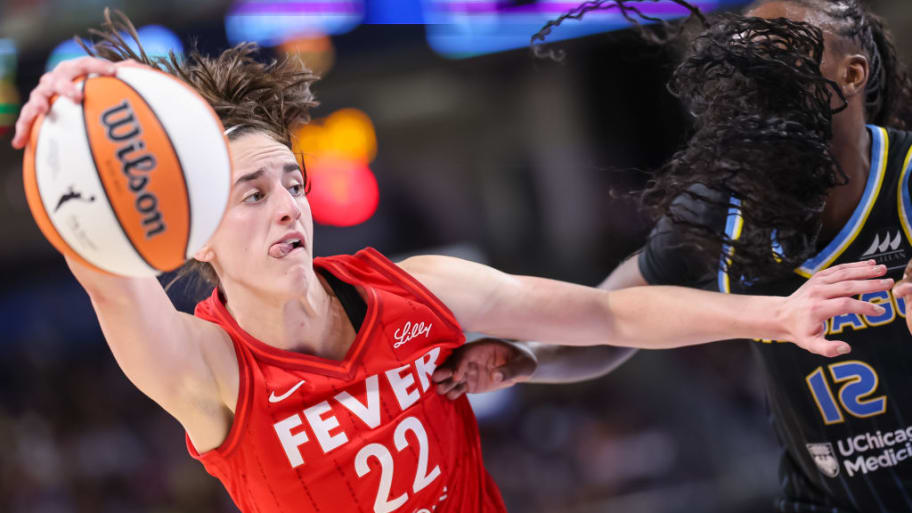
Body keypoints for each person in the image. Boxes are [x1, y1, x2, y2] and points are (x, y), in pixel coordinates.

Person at [9, 9, 895, 513]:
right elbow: (107, 276)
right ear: (195, 235)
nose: (287, 207)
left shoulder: (419, 288)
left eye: (291, 182)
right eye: (252, 194)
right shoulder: (208, 372)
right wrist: (67, 135)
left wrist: (775, 314)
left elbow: (613, 312)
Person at [436, 1, 912, 512]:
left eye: (779, 53)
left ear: (852, 73)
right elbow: (608, 319)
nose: (755, 76)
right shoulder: (722, 206)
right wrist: (530, 358)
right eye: (745, 61)